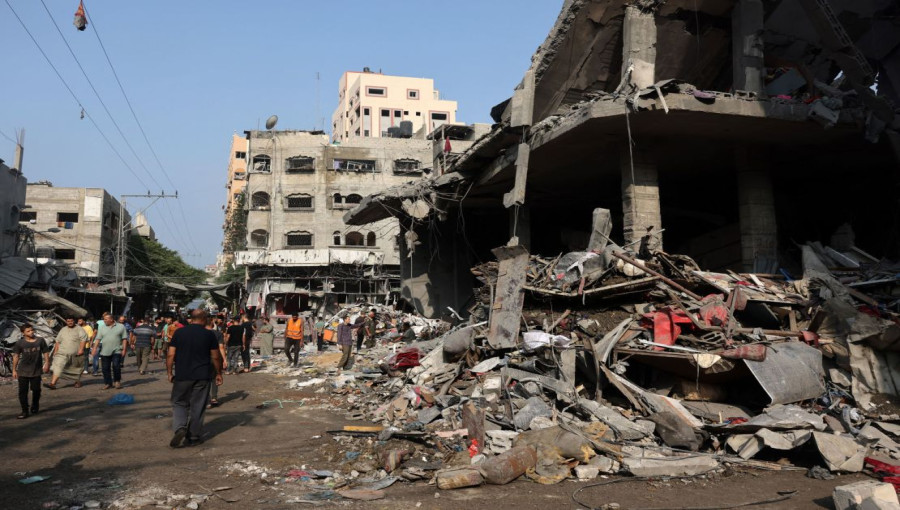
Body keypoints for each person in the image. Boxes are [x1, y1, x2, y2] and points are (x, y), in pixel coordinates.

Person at [167, 309, 223, 448]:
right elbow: (215, 356)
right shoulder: (209, 335)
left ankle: (180, 428)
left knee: (179, 403)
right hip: (202, 376)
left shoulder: (179, 332)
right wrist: (218, 373)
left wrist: (169, 372)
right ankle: (193, 436)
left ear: (191, 319)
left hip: (182, 375)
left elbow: (170, 354)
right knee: (198, 406)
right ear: (204, 319)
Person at [12, 323, 50, 419]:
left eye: (32, 330)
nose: (31, 332)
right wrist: (14, 370)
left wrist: (47, 363)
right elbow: (16, 356)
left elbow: (45, 351)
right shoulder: (20, 343)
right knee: (23, 392)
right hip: (23, 371)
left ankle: (35, 405)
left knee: (36, 390)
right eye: (28, 331)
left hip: (36, 370)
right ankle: (25, 411)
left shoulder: (40, 341)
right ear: (23, 333)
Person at [47, 316, 88, 389]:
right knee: (57, 366)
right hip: (62, 353)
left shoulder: (79, 329)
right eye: (68, 321)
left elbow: (83, 340)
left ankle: (77, 382)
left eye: (71, 321)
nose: (70, 323)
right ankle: (53, 384)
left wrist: (81, 350)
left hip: (76, 354)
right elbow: (58, 341)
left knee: (76, 368)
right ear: (66, 322)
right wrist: (56, 351)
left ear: (74, 321)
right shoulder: (63, 329)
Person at [91, 313, 128, 390]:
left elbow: (124, 339)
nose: (104, 321)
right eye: (104, 319)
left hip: (117, 350)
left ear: (111, 319)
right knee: (105, 368)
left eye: (106, 319)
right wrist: (94, 348)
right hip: (105, 351)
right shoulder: (102, 328)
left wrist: (124, 349)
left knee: (116, 366)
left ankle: (117, 381)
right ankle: (108, 383)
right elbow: (98, 339)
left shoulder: (121, 327)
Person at [205, 316, 227, 408]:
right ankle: (214, 398)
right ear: (212, 323)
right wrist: (224, 359)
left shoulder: (201, 333)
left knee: (205, 380)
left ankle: (207, 401)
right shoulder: (218, 334)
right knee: (215, 377)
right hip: (216, 358)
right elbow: (221, 347)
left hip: (203, 359)